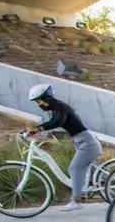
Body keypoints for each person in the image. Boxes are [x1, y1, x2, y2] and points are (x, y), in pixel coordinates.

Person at [25, 84, 102, 212]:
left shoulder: (60, 107)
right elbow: (53, 121)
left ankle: (76, 201)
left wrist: (38, 129)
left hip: (87, 143)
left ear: (46, 98)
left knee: (74, 168)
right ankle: (83, 191)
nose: (38, 105)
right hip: (82, 142)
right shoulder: (57, 108)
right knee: (80, 170)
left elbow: (57, 122)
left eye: (38, 101)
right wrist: (35, 129)